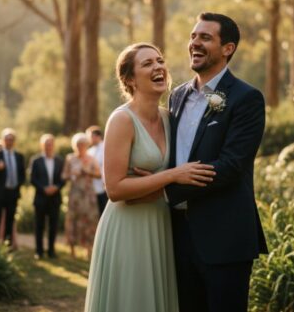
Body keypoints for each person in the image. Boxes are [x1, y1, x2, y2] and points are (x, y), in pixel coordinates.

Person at [84, 43, 216, 312]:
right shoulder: (122, 120)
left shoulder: (169, 118)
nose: (158, 67)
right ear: (130, 80)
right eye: (147, 64)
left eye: (159, 61)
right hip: (128, 226)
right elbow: (115, 189)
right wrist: (171, 175)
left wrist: (158, 183)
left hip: (161, 224)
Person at [163, 13, 268, 312]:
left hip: (225, 237)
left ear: (227, 49)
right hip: (177, 235)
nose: (195, 43)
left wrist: (167, 186)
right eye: (193, 36)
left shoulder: (246, 98)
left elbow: (231, 165)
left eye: (205, 37)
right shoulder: (177, 96)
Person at [0, 128, 26, 247]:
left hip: (13, 193)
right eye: (7, 139)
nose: (9, 142)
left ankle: (8, 246)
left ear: (14, 141)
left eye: (11, 139)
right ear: (3, 140)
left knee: (10, 220)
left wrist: (18, 184)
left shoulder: (19, 156)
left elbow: (22, 174)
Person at [63, 133, 100, 258]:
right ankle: (72, 249)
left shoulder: (91, 158)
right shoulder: (70, 158)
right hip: (75, 194)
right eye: (78, 145)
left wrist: (87, 172)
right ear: (75, 146)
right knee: (73, 219)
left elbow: (99, 174)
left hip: (88, 194)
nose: (81, 147)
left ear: (86, 146)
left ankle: (88, 249)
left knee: (89, 220)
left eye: (83, 145)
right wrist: (71, 174)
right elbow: (64, 175)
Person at [30, 134, 66, 260]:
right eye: (46, 144)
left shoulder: (60, 161)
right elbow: (32, 179)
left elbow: (63, 179)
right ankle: (39, 251)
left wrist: (56, 187)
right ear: (42, 145)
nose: (48, 146)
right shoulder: (36, 160)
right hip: (40, 197)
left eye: (50, 144)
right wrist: (44, 189)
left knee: (53, 226)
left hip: (55, 198)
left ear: (53, 145)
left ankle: (51, 250)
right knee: (39, 226)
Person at [86, 125, 108, 216]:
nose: (89, 139)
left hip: (104, 186)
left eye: (90, 136)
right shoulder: (89, 151)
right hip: (92, 187)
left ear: (98, 136)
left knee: (104, 211)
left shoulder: (106, 147)